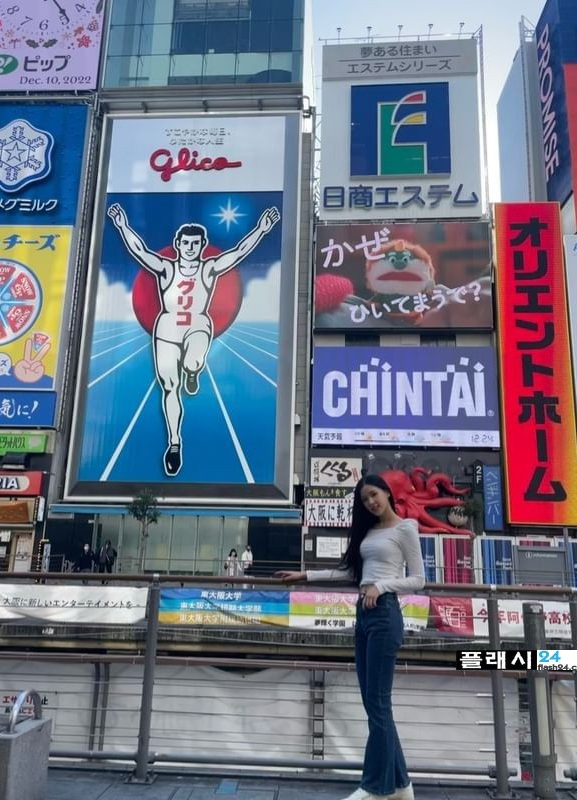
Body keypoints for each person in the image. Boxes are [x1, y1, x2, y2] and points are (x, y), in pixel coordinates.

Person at [277, 475, 424, 800]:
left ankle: (375, 788)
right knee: (374, 704)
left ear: (386, 492)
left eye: (374, 495)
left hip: (385, 613)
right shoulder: (368, 532)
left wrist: (381, 587)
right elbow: (350, 573)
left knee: (378, 703)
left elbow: (418, 579)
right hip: (364, 614)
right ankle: (401, 786)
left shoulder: (406, 528)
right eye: (364, 500)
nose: (371, 502)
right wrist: (306, 575)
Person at [108, 203, 280, 477]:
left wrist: (261, 229)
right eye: (185, 242)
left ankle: (193, 371)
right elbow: (139, 250)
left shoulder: (208, 268)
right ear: (178, 244)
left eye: (195, 243)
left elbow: (238, 252)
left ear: (202, 245)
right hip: (167, 328)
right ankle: (174, 443)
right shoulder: (166, 268)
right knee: (169, 386)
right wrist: (121, 225)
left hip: (198, 324)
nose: (190, 247)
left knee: (193, 360)